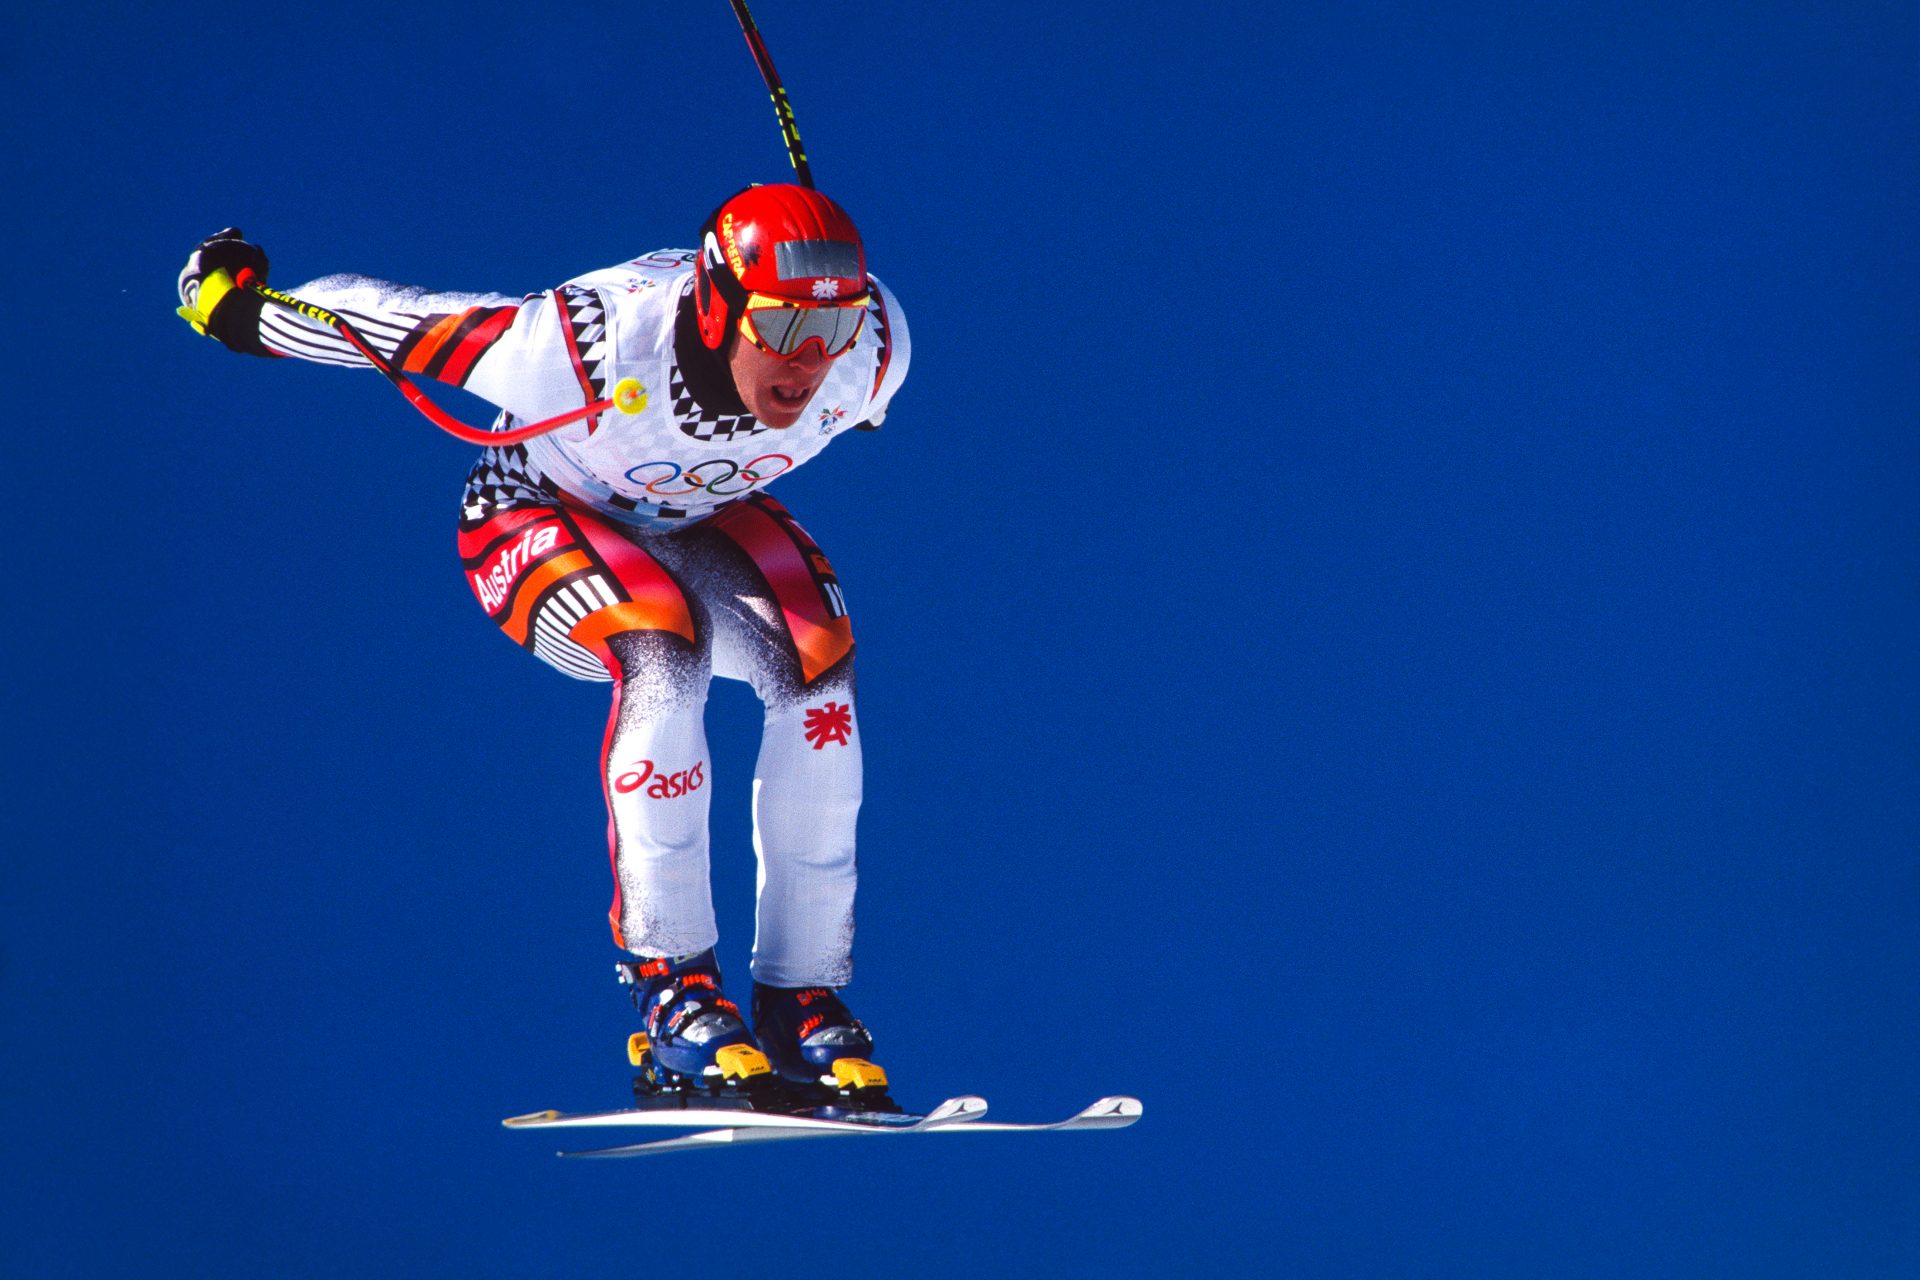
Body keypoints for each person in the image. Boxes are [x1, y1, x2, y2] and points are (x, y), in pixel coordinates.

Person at [175, 184, 910, 1100]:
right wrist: (238, 307)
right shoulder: (577, 348)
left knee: (819, 673)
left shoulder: (872, 354)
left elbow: (853, 384)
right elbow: (399, 323)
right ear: (719, 304)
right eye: (781, 326)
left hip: (694, 516)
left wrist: (833, 351)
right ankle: (671, 987)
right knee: (662, 652)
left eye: (829, 332)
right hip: (531, 513)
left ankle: (799, 994)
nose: (809, 364)